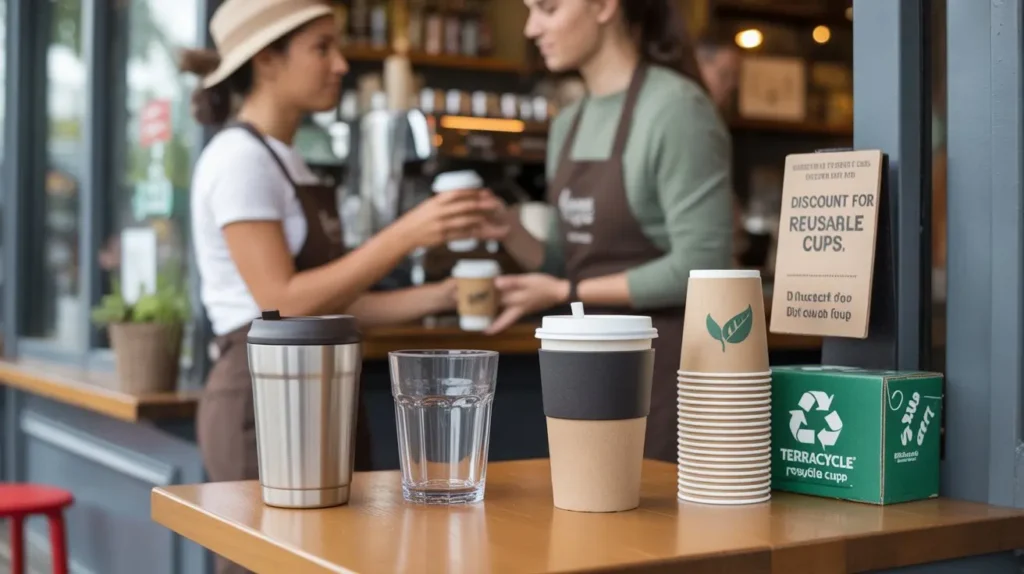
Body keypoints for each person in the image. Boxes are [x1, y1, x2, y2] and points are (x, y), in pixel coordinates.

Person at [180, 2, 482, 571]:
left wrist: (447, 298)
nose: (341, 64)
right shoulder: (239, 160)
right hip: (261, 398)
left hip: (319, 389)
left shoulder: (289, 162)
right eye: (322, 48)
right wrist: (406, 234)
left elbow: (336, 303)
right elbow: (283, 302)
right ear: (267, 61)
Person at [477, 0, 734, 463]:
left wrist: (565, 288)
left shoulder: (676, 110)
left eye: (548, 9)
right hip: (584, 366)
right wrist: (508, 230)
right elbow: (566, 258)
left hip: (665, 365)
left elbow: (704, 264)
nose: (532, 28)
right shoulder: (569, 124)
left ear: (603, 7)